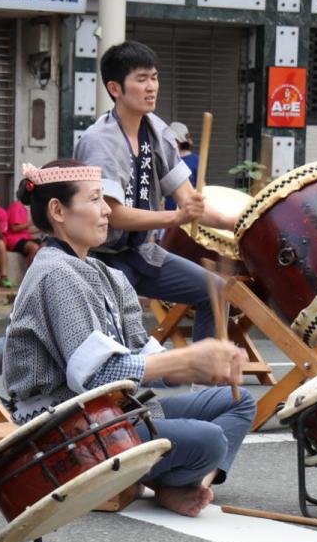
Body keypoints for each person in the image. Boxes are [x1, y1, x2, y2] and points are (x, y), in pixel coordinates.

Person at [4, 160, 254, 517]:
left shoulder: (105, 273)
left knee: (239, 402)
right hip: (65, 430)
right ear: (58, 210)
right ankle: (175, 480)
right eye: (94, 200)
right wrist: (186, 360)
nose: (107, 210)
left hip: (113, 415)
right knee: (209, 440)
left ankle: (178, 481)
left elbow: (143, 356)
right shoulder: (54, 274)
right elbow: (95, 376)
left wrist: (204, 362)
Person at [74, 41, 234, 341]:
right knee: (114, 347)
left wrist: (239, 223)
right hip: (100, 259)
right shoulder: (99, 141)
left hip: (143, 253)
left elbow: (188, 201)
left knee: (217, 292)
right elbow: (114, 216)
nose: (152, 87)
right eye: (141, 79)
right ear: (115, 88)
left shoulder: (158, 131)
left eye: (155, 77)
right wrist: (176, 218)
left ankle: (205, 382)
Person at [164, 121, 200, 211]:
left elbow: (201, 185)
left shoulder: (196, 160)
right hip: (169, 212)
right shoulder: (167, 159)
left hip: (188, 210)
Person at [3, 196, 41, 279]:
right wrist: (32, 222)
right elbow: (14, 228)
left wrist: (42, 228)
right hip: (13, 240)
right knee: (34, 247)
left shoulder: (24, 208)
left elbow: (25, 230)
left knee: (44, 246)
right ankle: (30, 278)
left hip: (24, 238)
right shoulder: (16, 206)